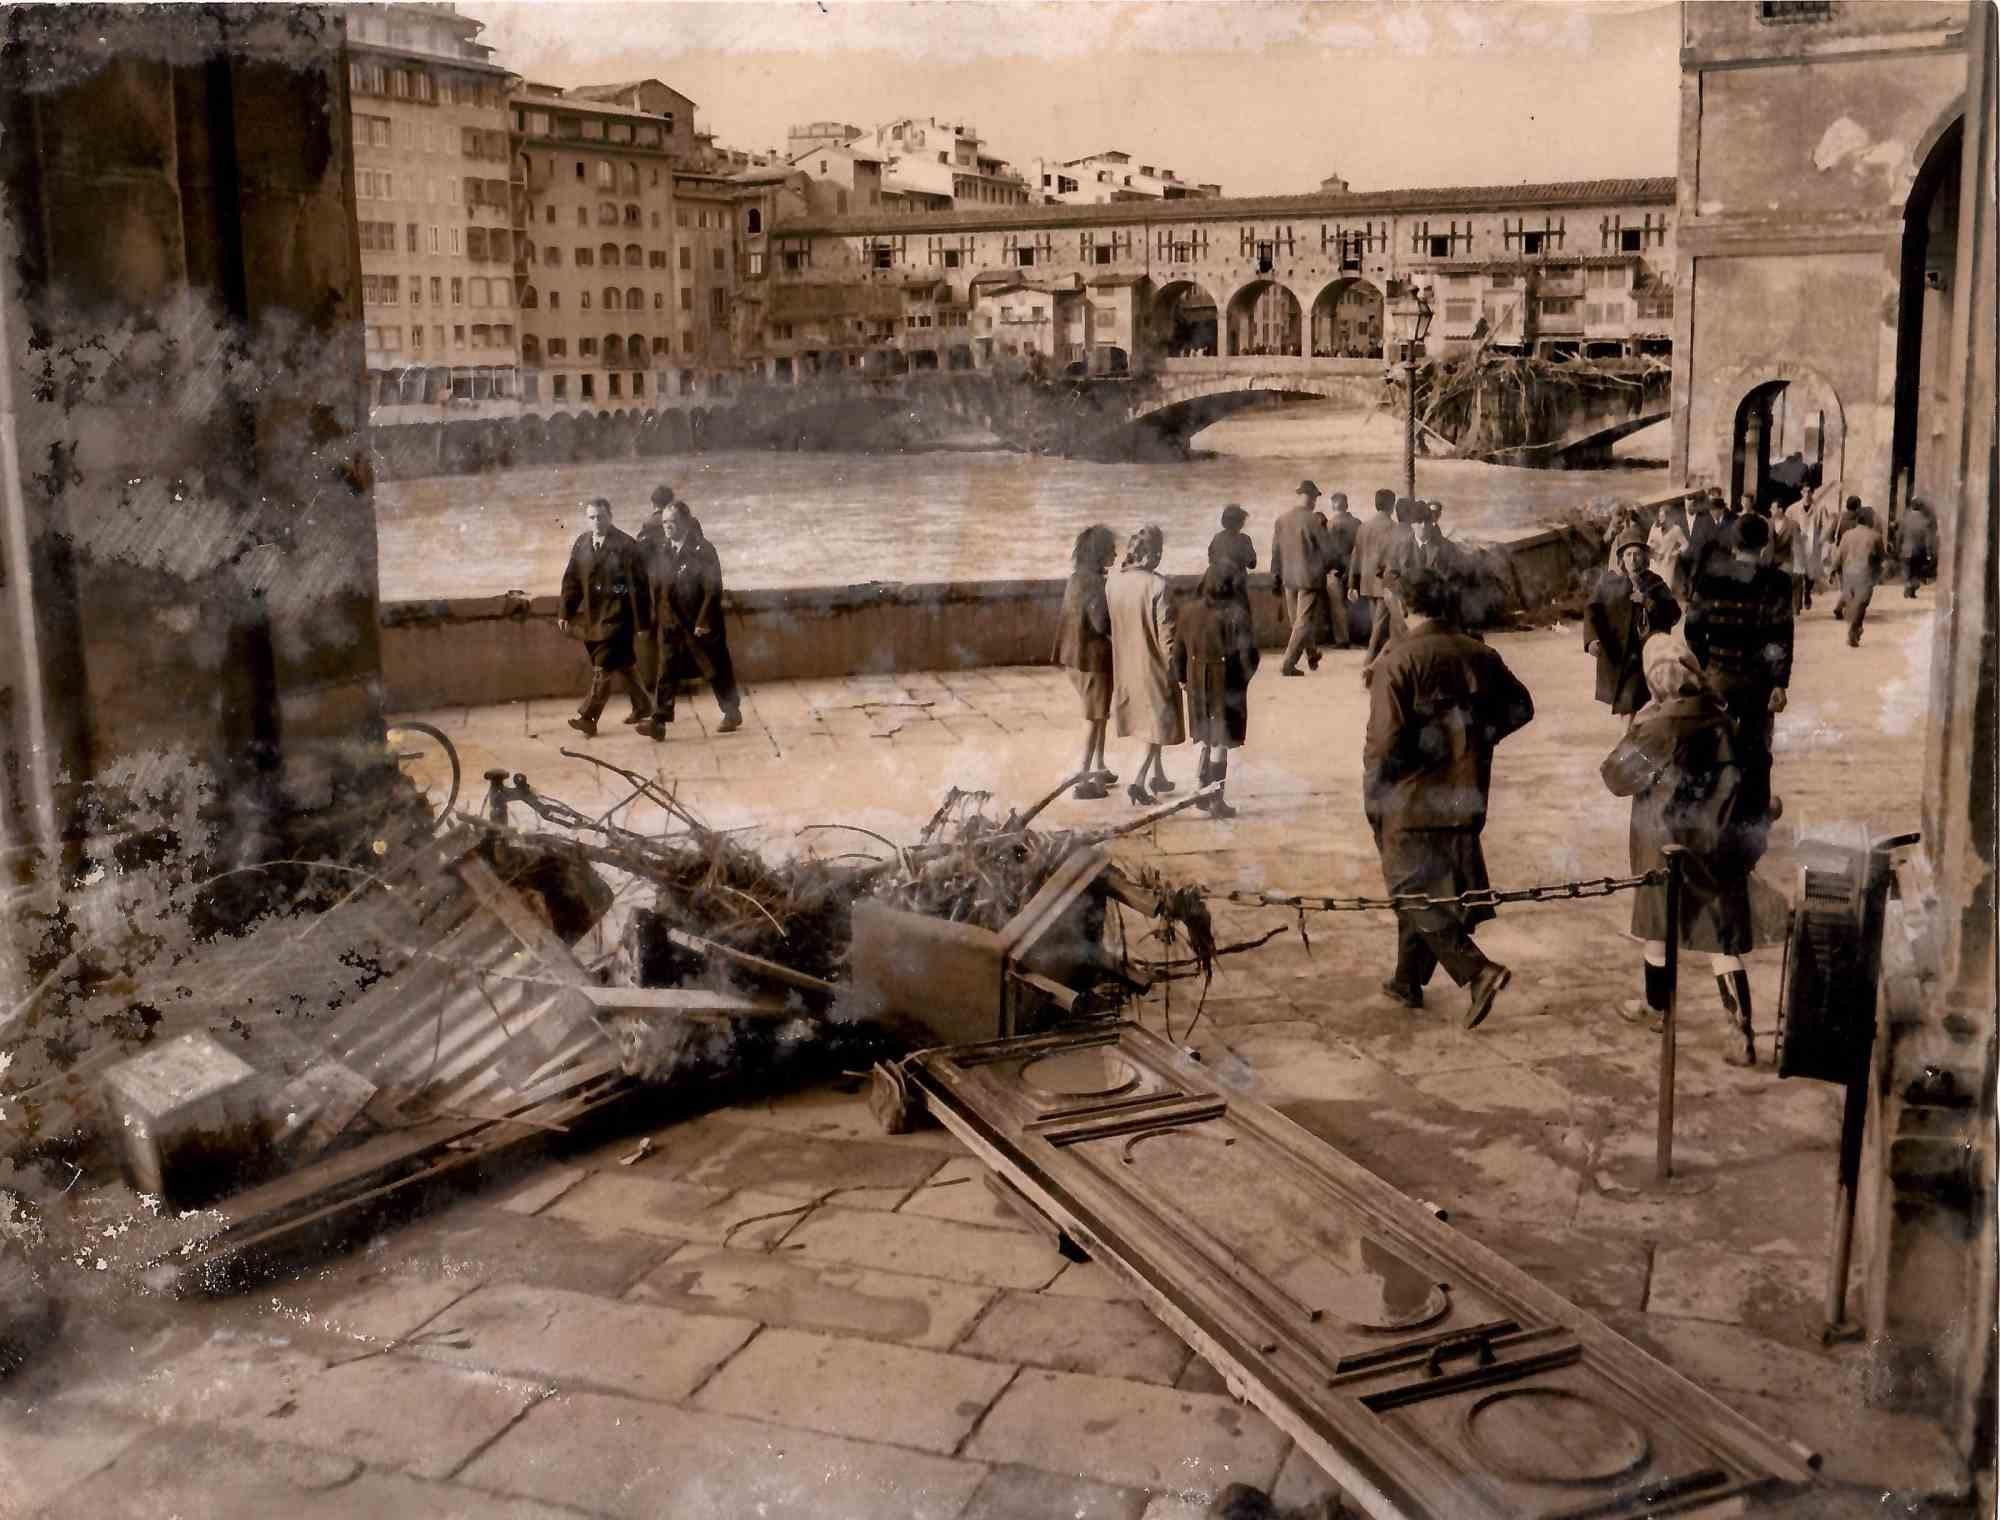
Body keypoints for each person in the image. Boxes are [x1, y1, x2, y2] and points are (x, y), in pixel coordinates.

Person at [1363, 562, 1534, 1028]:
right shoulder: (1480, 653)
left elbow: (1383, 745)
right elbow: (1522, 707)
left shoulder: (1397, 661)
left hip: (1410, 799)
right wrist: (1476, 741)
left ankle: (1477, 972)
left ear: (1401, 605)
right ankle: (1406, 980)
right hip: (1464, 794)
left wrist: (1374, 800)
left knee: (1407, 888)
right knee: (1429, 888)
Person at [1601, 632, 1769, 1065]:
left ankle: (1659, 1009)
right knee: (1720, 940)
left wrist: (1635, 725)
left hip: (1665, 844)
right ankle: (1741, 1029)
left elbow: (1617, 778)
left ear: (1655, 682)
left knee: (1657, 927)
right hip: (1716, 841)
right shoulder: (1719, 716)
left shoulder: (1657, 725)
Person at [1683, 514, 1793, 825]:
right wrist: (1778, 683)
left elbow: (1692, 630)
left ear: (1733, 542)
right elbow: (1781, 638)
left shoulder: (1709, 579)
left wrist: (1706, 666)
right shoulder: (1778, 582)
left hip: (1718, 676)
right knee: (1756, 751)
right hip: (1758, 680)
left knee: (1716, 746)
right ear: (1764, 544)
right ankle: (1753, 819)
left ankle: (1716, 817)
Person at [642, 500, 742, 737]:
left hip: (699, 622)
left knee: (715, 668)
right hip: (671, 622)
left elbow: (713, 588)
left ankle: (731, 711)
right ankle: (659, 721)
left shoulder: (703, 550)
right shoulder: (663, 550)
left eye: (673, 522)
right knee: (666, 670)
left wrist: (704, 620)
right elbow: (658, 587)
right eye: (665, 522)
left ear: (685, 522)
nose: (668, 527)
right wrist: (656, 616)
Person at [559, 497, 652, 738]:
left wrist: (642, 623)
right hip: (593, 617)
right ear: (586, 519)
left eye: (601, 516)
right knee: (624, 664)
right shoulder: (581, 543)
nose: (597, 522)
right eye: (592, 517)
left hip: (618, 619)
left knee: (604, 667)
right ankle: (644, 706)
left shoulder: (627, 546)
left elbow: (639, 588)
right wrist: (565, 611)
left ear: (610, 516)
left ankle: (588, 717)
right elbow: (572, 581)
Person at [1175, 560, 1260, 818]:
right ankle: (1215, 800)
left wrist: (1183, 679)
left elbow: (1178, 651)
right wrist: (1241, 681)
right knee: (1220, 743)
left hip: (1197, 684)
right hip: (1226, 685)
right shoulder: (1236, 614)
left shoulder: (1188, 611)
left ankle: (1201, 789)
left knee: (1205, 738)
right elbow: (1250, 657)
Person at [1107, 523, 1184, 803]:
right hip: (1154, 666)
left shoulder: (1113, 582)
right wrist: (1178, 671)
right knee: (1159, 721)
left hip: (1126, 663)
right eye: (1157, 551)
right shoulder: (1159, 586)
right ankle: (1139, 780)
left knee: (1150, 721)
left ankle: (1158, 776)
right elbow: (1168, 637)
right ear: (1147, 554)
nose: (1160, 557)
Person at [1586, 529, 1682, 719]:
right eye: (1628, 554)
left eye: (1637, 554)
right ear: (1621, 558)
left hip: (1646, 655)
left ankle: (1629, 744)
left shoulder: (1655, 583)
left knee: (1635, 708)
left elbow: (1674, 614)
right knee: (1628, 709)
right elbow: (1591, 610)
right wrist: (1591, 641)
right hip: (1619, 655)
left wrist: (1648, 602)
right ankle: (1629, 743)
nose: (1633, 559)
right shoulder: (1609, 583)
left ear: (1644, 557)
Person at [1055, 524, 1119, 800]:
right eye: (1112, 551)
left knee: (1099, 713)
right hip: (1092, 659)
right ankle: (1083, 779)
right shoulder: (1095, 583)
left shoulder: (1075, 578)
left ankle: (1099, 766)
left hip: (1072, 656)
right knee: (1094, 717)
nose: (1116, 555)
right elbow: (1102, 622)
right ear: (1100, 553)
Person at [1270, 480, 1329, 676]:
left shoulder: (1282, 519)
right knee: (1303, 622)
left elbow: (1275, 552)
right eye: (1315, 498)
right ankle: (1288, 663)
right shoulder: (1313, 520)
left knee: (1297, 621)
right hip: (1309, 578)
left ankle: (1312, 654)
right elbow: (1328, 550)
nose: (1314, 502)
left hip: (1288, 576)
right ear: (1311, 497)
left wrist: (1275, 576)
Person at [1360, 497, 1423, 679]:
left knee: (1379, 627)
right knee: (1402, 631)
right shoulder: (1410, 534)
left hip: (1386, 588)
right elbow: (1406, 567)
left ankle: (1370, 663)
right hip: (1399, 590)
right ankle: (1380, 668)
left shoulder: (1390, 532)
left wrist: (1385, 580)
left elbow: (1378, 561)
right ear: (1411, 514)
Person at [1348, 488, 1399, 658]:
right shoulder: (1393, 527)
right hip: (1384, 582)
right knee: (1380, 625)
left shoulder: (1363, 527)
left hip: (1367, 582)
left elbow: (1355, 557)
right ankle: (1370, 661)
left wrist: (1351, 584)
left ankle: (1379, 659)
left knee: (1377, 624)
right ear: (1392, 505)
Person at [1831, 504, 1886, 647]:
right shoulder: (1876, 536)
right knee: (1861, 605)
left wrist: (1833, 570)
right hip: (1865, 574)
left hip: (1848, 573)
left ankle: (1854, 628)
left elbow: (1839, 554)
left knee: (1853, 602)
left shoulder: (1847, 535)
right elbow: (1881, 557)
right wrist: (1881, 572)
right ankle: (1854, 630)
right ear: (1869, 520)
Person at [1320, 491, 1359, 650]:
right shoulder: (1357, 523)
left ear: (1332, 505)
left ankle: (1342, 640)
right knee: (1355, 605)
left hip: (1335, 570)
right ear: (1347, 505)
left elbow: (1327, 552)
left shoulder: (1329, 525)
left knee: (1337, 606)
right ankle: (1359, 636)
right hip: (1354, 569)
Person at [1207, 504, 1257, 614]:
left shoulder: (1217, 538)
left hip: (1219, 588)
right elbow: (1252, 564)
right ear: (1239, 522)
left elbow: (1211, 559)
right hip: (1237, 588)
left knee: (1223, 624)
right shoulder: (1244, 539)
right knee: (1243, 622)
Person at [1900, 497, 1938, 598]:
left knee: (1907, 570)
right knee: (1916, 571)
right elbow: (1928, 539)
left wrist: (1898, 546)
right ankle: (1911, 589)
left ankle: (1908, 586)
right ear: (1921, 507)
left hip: (1906, 549)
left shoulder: (1905, 518)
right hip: (1919, 551)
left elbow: (1899, 534)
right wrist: (1929, 553)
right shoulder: (1925, 521)